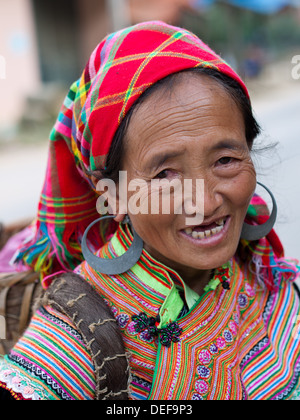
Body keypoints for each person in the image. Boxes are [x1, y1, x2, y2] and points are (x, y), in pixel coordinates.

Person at [0, 20, 299, 401]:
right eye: (165, 175)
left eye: (225, 159)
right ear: (113, 194)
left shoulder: (267, 276)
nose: (205, 203)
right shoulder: (75, 333)